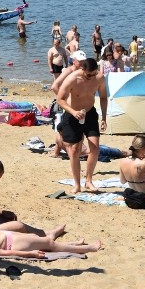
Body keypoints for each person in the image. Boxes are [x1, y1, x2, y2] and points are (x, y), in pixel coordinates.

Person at [55, 58, 108, 193]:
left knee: (95, 148)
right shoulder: (73, 78)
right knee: (74, 151)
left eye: (94, 74)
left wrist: (104, 117)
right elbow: (60, 99)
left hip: (89, 113)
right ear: (82, 70)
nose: (91, 77)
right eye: (89, 75)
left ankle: (89, 180)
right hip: (72, 114)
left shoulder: (99, 78)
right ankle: (77, 184)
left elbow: (103, 97)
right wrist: (73, 112)